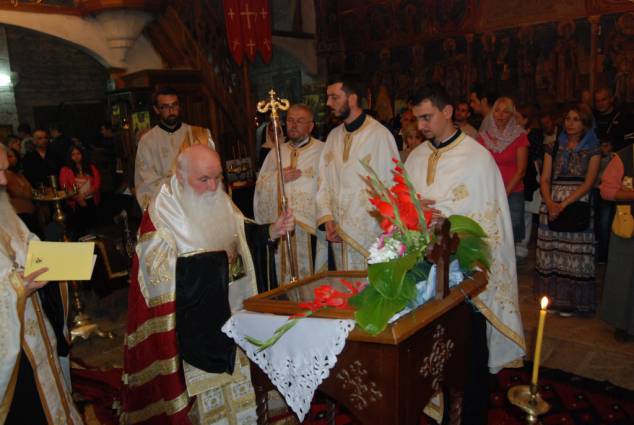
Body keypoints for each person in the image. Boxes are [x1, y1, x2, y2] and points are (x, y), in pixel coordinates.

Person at [121, 144, 294, 424]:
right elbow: (158, 280)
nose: (214, 187)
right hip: (198, 330)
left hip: (236, 313)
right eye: (204, 179)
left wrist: (271, 231)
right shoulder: (161, 213)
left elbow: (241, 233)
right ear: (179, 175)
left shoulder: (218, 197)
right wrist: (216, 263)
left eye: (218, 177)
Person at [404, 84, 526, 425]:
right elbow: (404, 205)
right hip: (425, 274)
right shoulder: (416, 157)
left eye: (426, 117)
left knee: (468, 353)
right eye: (416, 119)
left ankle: (470, 415)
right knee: (431, 350)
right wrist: (413, 212)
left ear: (447, 112)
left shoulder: (477, 158)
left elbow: (486, 218)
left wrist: (443, 217)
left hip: (464, 275)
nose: (420, 126)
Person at [0, 146, 83, 424]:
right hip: (11, 349)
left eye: (5, 171)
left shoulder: (3, 207)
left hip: (32, 327)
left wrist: (50, 257)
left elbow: (26, 241)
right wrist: (16, 289)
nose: (4, 181)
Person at [316, 74, 399, 271]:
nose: (328, 103)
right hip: (337, 233)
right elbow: (323, 180)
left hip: (369, 234)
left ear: (352, 99)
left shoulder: (379, 135)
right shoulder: (333, 137)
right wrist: (327, 217)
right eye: (328, 97)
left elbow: (392, 185)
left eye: (334, 97)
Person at [535, 104, 601, 317]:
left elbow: (589, 182)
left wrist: (563, 205)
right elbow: (545, 178)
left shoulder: (593, 150)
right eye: (568, 119)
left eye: (576, 119)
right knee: (552, 253)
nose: (570, 123)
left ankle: (572, 301)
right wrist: (550, 203)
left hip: (577, 204)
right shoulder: (552, 147)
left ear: (585, 124)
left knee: (574, 254)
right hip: (551, 203)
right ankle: (552, 298)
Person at [254, 104, 327, 286]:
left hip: (310, 228)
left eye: (300, 121)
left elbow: (329, 185)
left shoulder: (323, 151)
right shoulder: (275, 153)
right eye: (290, 120)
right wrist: (278, 178)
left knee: (311, 283)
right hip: (281, 226)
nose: (293, 125)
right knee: (283, 279)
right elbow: (260, 187)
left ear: (311, 126)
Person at [134, 86, 215, 209]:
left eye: (174, 105)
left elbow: (211, 170)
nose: (171, 110)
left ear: (179, 106)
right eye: (165, 107)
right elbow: (147, 181)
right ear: (156, 109)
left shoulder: (199, 135)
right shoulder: (147, 142)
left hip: (198, 203)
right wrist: (179, 187)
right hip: (167, 208)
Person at [477, 97, 529, 249]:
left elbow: (521, 170)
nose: (500, 115)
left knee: (510, 234)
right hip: (489, 192)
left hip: (512, 191)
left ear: (512, 115)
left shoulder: (519, 136)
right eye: (497, 111)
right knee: (490, 232)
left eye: (505, 112)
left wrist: (505, 192)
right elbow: (478, 167)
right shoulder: (483, 137)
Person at [599, 143, 634, 341]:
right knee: (623, 278)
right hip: (627, 227)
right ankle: (623, 324)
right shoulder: (624, 157)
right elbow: (606, 190)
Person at [516, 104, 545, 258]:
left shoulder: (533, 135)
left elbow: (536, 157)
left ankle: (522, 246)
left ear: (525, 120)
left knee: (527, 212)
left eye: (517, 117)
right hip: (521, 176)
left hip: (529, 176)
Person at [59, 146, 102, 237]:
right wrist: (79, 198)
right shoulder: (65, 170)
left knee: (92, 227)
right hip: (75, 203)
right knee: (79, 229)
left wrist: (85, 194)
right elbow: (65, 186)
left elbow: (97, 183)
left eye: (78, 153)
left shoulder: (91, 167)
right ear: (69, 156)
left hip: (91, 200)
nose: (76, 156)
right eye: (73, 154)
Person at [4, 146, 40, 236]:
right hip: (20, 216)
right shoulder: (4, 176)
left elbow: (31, 191)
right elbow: (17, 192)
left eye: (11, 156)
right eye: (7, 156)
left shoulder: (20, 174)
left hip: (32, 213)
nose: (9, 159)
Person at [593, 87, 634, 152]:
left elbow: (631, 139)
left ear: (611, 99)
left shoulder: (624, 117)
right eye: (597, 101)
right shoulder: (592, 117)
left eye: (603, 100)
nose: (600, 104)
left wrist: (613, 146)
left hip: (618, 154)